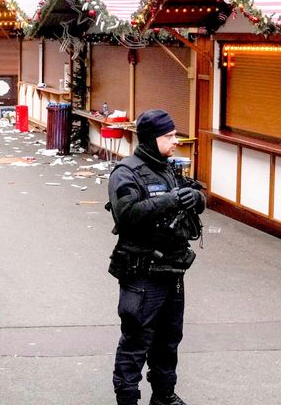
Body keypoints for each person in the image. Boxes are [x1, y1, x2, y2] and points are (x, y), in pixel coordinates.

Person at [106, 109, 205, 405]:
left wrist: (196, 198)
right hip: (143, 274)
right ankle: (127, 400)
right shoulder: (126, 173)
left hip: (173, 273)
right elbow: (127, 215)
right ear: (151, 139)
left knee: (168, 341)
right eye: (169, 136)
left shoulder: (170, 169)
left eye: (175, 134)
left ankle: (164, 396)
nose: (176, 141)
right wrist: (170, 200)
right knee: (136, 342)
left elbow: (198, 198)